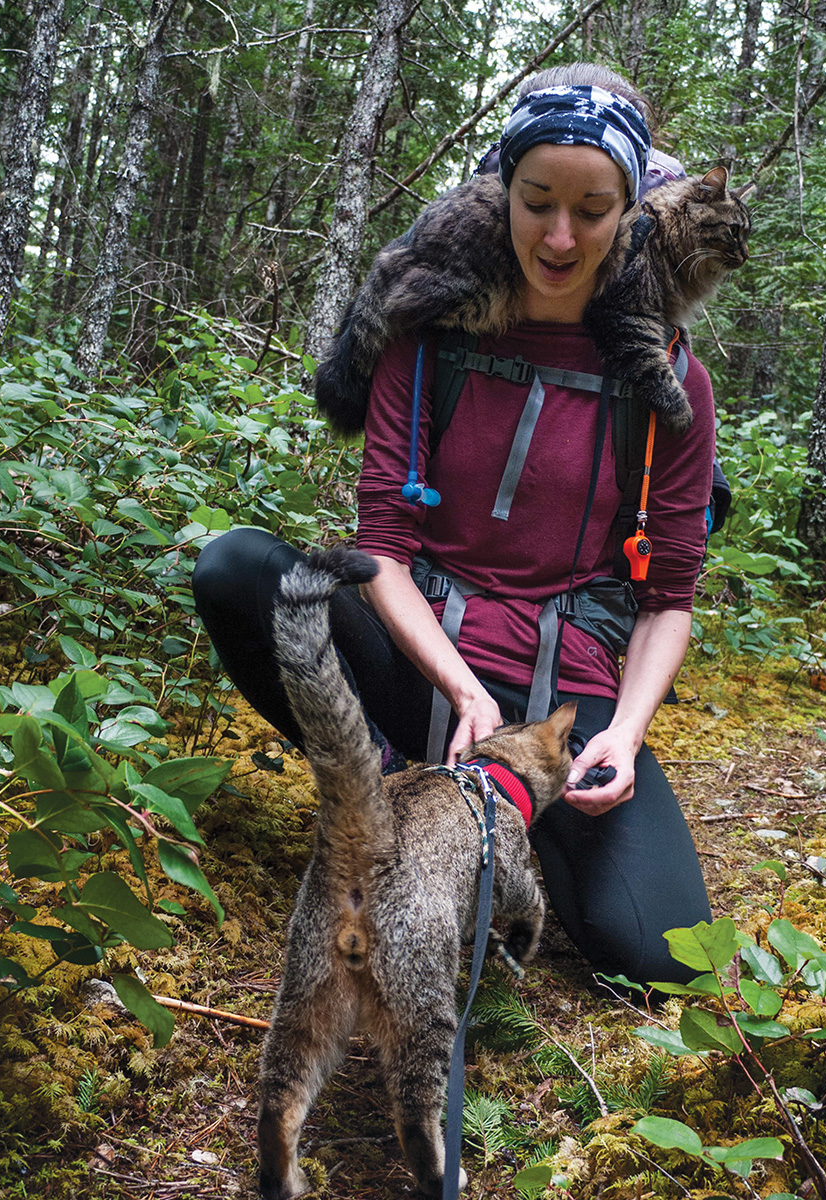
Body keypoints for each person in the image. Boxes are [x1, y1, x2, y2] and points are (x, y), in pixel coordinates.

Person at [193, 62, 714, 988]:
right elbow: (382, 551)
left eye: (592, 209)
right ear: (500, 190)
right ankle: (397, 791)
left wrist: (624, 735)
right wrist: (462, 689)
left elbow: (668, 597)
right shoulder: (428, 336)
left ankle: (515, 825)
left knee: (660, 957)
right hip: (426, 656)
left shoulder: (667, 375)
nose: (560, 234)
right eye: (537, 199)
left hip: (567, 697)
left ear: (630, 211)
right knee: (241, 570)